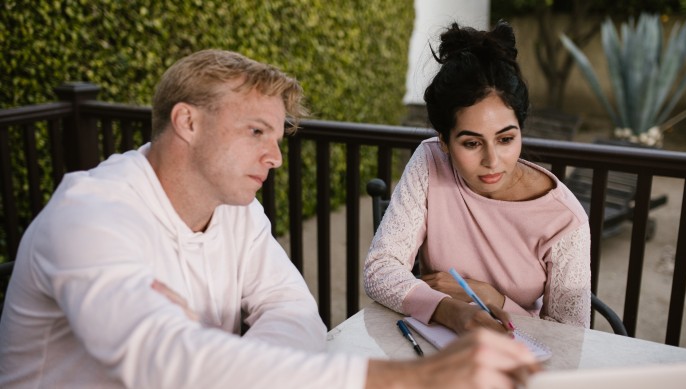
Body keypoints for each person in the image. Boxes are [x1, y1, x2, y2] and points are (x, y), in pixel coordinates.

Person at [0, 49, 540, 388]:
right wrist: (412, 381)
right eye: (256, 131)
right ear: (187, 121)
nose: (276, 157)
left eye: (278, 138)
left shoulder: (235, 211)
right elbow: (158, 358)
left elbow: (295, 313)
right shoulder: (89, 214)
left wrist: (221, 368)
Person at [364, 21, 592, 336]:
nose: (492, 161)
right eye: (471, 143)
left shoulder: (565, 219)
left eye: (506, 139)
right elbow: (379, 269)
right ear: (443, 140)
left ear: (520, 131)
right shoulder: (431, 160)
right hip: (441, 351)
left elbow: (573, 335)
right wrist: (448, 310)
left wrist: (492, 298)